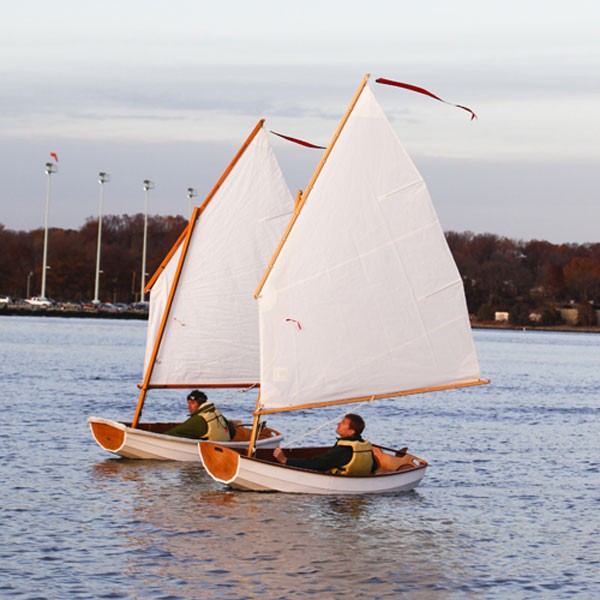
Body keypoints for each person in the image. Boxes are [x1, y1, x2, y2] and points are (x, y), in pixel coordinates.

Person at [273, 413, 376, 475]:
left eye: (343, 423)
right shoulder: (364, 445)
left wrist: (285, 460)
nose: (338, 423)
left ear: (351, 432)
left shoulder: (343, 450)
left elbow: (318, 464)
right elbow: (373, 466)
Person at [164, 390, 236, 441]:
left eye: (192, 403)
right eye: (188, 403)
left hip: (209, 451)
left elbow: (173, 433)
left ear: (201, 403)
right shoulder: (217, 414)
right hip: (222, 447)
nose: (189, 407)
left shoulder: (199, 420)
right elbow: (232, 431)